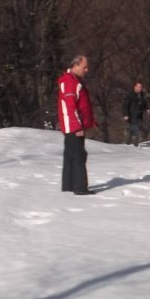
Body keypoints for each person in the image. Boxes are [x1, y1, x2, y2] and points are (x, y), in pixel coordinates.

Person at [56, 55, 96, 194]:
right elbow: (70, 106)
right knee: (79, 155)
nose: (87, 70)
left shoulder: (75, 80)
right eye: (84, 67)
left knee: (71, 155)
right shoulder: (70, 81)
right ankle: (80, 188)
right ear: (75, 65)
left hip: (74, 125)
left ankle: (68, 186)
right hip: (73, 126)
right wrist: (76, 126)